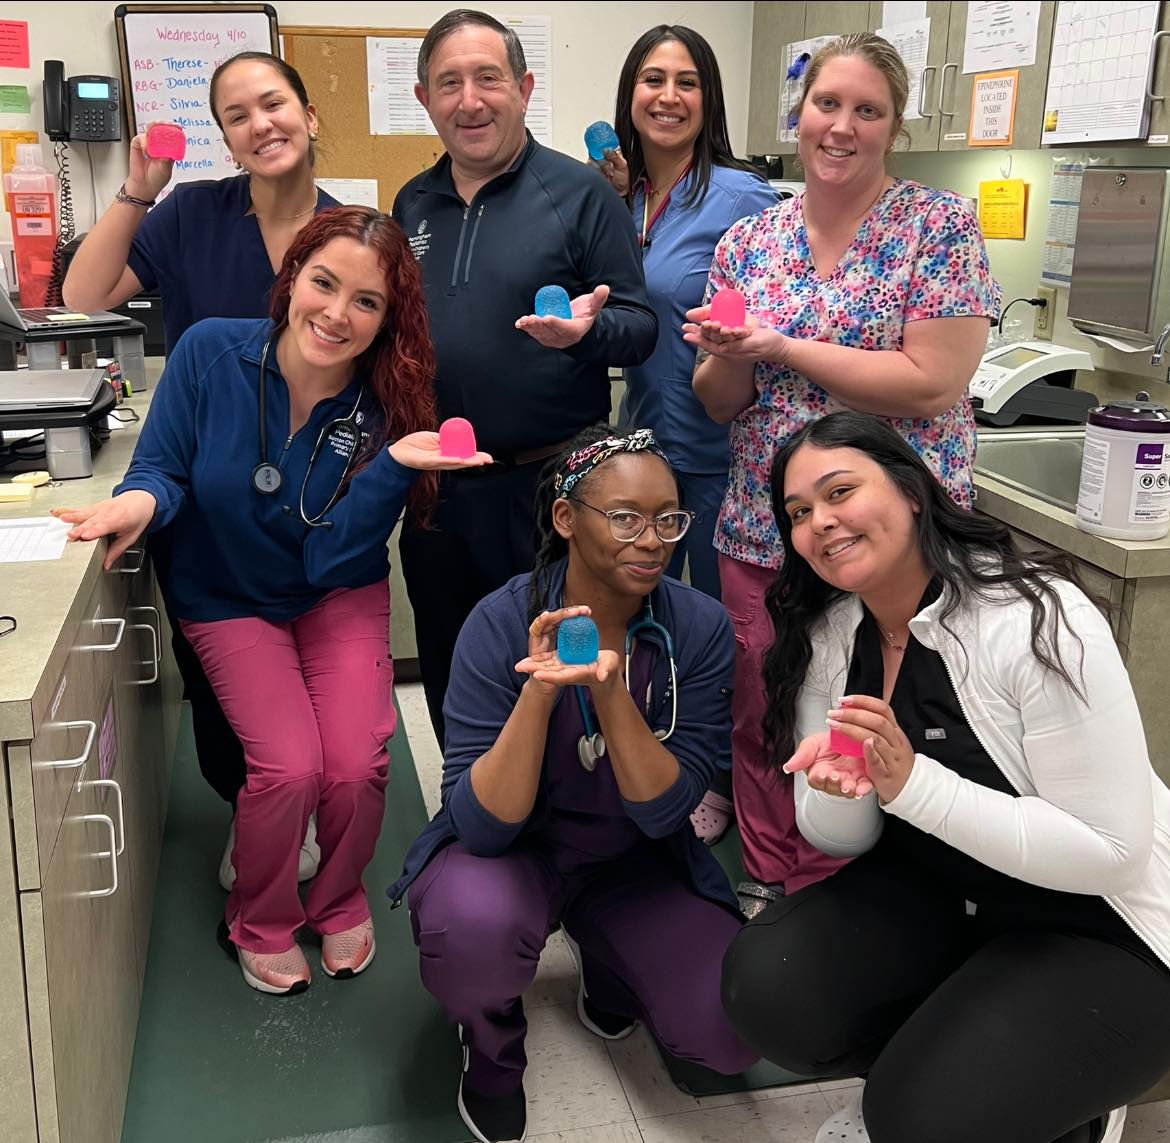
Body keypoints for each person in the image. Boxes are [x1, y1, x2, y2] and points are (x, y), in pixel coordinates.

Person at [54, 207, 492, 995]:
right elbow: (162, 468)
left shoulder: (388, 404)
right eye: (324, 283)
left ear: (389, 317)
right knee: (288, 767)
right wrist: (135, 505)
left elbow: (334, 550)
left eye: (367, 302)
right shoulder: (207, 352)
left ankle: (338, 895)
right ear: (293, 278)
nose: (336, 313)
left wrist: (392, 465)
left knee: (356, 762)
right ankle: (259, 916)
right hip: (225, 596)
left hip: (332, 591)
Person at [720, 411, 1170, 1143]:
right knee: (768, 987)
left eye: (840, 492)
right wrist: (844, 795)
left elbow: (1113, 850)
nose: (819, 522)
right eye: (799, 512)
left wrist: (912, 785)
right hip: (949, 896)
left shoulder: (1034, 620)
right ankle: (946, 1063)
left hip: (1102, 928)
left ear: (912, 491)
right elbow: (839, 832)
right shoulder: (834, 633)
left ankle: (1068, 1106)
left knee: (917, 1120)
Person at [686, 33, 999, 909]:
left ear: (894, 125)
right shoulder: (751, 242)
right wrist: (729, 353)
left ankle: (875, 894)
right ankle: (772, 872)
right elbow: (719, 401)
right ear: (800, 112)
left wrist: (783, 344)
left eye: (868, 110)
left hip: (894, 533)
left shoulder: (938, 228)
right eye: (828, 104)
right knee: (765, 707)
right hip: (765, 523)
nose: (842, 126)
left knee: (876, 709)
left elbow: (933, 379)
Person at [387, 426, 756, 1143]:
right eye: (624, 517)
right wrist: (540, 694)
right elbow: (484, 825)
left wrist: (613, 695)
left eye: (668, 519)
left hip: (633, 858)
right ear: (565, 519)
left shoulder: (700, 628)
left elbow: (667, 813)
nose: (652, 540)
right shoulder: (499, 623)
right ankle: (491, 1050)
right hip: (512, 855)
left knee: (730, 1034)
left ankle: (609, 963)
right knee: (470, 932)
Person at [63, 51, 342, 880]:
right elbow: (86, 292)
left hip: (312, 499)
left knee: (317, 676)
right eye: (237, 115)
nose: (262, 124)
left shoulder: (351, 232)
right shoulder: (190, 215)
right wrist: (141, 183)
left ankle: (305, 807)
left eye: (274, 103)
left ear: (308, 114)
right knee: (224, 693)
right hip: (205, 497)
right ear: (223, 136)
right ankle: (251, 810)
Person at [393, 9, 658, 745]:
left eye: (488, 78)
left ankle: (566, 826)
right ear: (425, 99)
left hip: (551, 493)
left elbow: (639, 328)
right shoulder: (413, 202)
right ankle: (465, 813)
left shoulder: (579, 195)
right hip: (439, 491)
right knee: (453, 667)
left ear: (524, 87)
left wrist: (585, 334)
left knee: (559, 665)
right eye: (449, 83)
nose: (469, 100)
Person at [600, 25, 777, 847]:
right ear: (630, 95)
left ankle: (716, 776)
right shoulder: (624, 197)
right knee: (651, 615)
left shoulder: (741, 197)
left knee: (723, 630)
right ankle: (657, 754)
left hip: (722, 455)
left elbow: (775, 313)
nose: (667, 96)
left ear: (708, 99)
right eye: (651, 79)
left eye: (687, 82)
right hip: (644, 446)